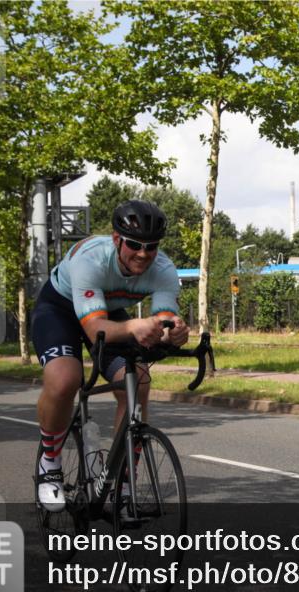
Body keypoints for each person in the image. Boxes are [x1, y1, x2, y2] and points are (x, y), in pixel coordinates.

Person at [31, 200, 190, 511]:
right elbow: (95, 331)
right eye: (134, 244)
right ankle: (49, 464)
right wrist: (134, 326)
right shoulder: (90, 260)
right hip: (60, 310)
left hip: (107, 311)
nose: (143, 254)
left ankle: (122, 481)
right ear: (117, 239)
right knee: (65, 379)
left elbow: (164, 319)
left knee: (139, 382)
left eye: (151, 246)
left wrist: (174, 333)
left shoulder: (164, 270)